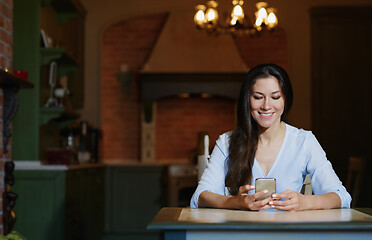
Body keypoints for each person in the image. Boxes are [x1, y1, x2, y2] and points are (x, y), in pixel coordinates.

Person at [190, 63, 351, 211]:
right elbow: (200, 196)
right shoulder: (226, 142)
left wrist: (305, 202)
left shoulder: (304, 141)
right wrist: (235, 202)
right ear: (247, 100)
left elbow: (341, 197)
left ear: (285, 100)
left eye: (275, 97)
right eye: (258, 97)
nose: (266, 106)